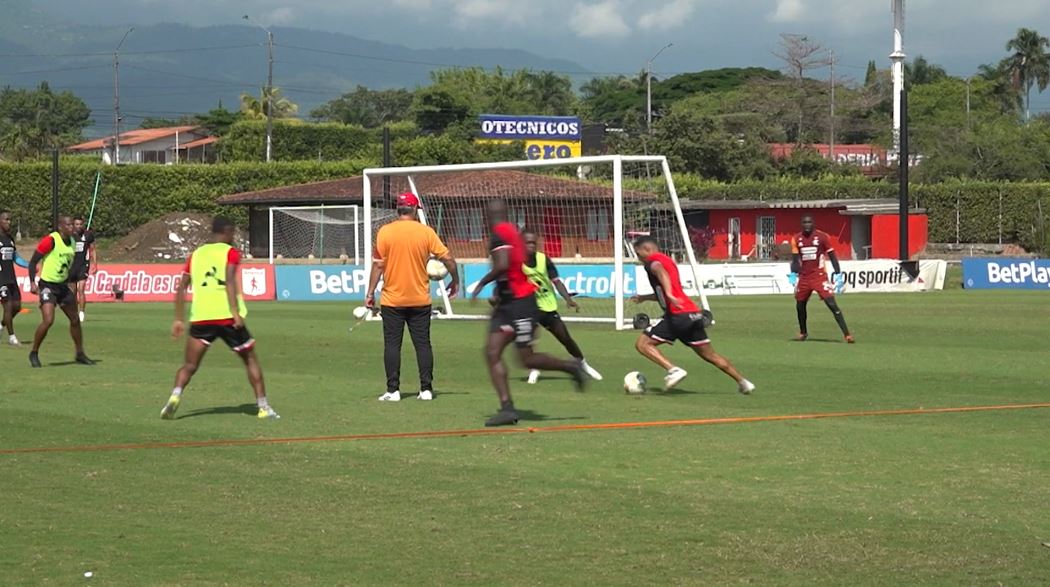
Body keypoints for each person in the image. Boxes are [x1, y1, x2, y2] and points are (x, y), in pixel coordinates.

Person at [471, 200, 586, 427]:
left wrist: (481, 283)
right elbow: (514, 266)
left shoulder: (500, 234)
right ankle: (507, 409)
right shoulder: (512, 232)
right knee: (492, 352)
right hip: (509, 302)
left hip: (520, 303)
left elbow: (503, 264)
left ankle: (570, 367)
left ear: (489, 215)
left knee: (526, 359)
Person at [159, 216, 279, 420]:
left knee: (189, 365)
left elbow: (181, 287)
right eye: (232, 232)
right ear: (227, 231)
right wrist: (234, 311)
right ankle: (263, 407)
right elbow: (229, 280)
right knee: (250, 359)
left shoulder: (196, 254)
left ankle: (175, 395)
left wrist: (178, 318)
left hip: (201, 318)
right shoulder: (230, 252)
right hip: (226, 318)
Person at [365, 192, 459, 402]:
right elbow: (449, 259)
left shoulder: (385, 232)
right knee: (423, 344)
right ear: (415, 210)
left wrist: (370, 293)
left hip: (392, 300)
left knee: (392, 345)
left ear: (398, 209)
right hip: (419, 300)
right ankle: (426, 390)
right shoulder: (426, 232)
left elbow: (378, 265)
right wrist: (456, 280)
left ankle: (393, 391)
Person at [630, 236, 754, 394]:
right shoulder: (669, 261)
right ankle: (743, 382)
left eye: (639, 254)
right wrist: (645, 297)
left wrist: (669, 294)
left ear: (648, 250)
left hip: (677, 315)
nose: (639, 258)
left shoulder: (652, 262)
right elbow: (665, 291)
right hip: (693, 313)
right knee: (711, 355)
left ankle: (673, 370)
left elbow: (660, 272)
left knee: (642, 344)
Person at [520, 230, 603, 384]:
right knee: (529, 339)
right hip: (529, 307)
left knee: (565, 338)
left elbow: (556, 281)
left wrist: (568, 299)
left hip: (548, 305)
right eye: (527, 243)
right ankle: (535, 368)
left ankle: (583, 364)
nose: (531, 245)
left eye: (533, 242)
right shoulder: (516, 263)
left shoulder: (543, 260)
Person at [26, 215, 94, 368]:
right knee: (48, 320)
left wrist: (70, 281)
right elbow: (33, 262)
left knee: (75, 320)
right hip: (48, 286)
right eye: (69, 225)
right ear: (60, 227)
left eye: (73, 225)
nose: (72, 227)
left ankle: (79, 353)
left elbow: (69, 263)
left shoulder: (73, 241)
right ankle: (34, 352)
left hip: (62, 287)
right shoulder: (50, 240)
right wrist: (32, 282)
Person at [791, 215, 854, 343]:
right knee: (799, 305)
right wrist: (793, 273)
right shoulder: (796, 239)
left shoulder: (822, 237)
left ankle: (847, 334)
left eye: (809, 222)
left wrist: (838, 273)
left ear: (813, 223)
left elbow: (832, 255)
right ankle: (803, 333)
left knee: (831, 304)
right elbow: (795, 260)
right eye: (804, 222)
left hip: (819, 276)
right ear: (801, 224)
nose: (807, 224)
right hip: (804, 277)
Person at [0, 211, 29, 346]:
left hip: (11, 277)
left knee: (17, 307)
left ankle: (1, 326)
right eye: (6, 219)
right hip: (1, 280)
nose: (8, 222)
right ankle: (12, 337)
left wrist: (29, 265)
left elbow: (15, 258)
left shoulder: (9, 239)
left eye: (10, 220)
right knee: (8, 306)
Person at [68, 216, 97, 323]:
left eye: (80, 224)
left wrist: (95, 263)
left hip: (83, 266)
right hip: (72, 267)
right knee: (72, 292)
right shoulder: (70, 235)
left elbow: (93, 250)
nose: (79, 226)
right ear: (73, 225)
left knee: (81, 289)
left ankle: (81, 312)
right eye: (77, 224)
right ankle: (74, 312)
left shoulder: (88, 235)